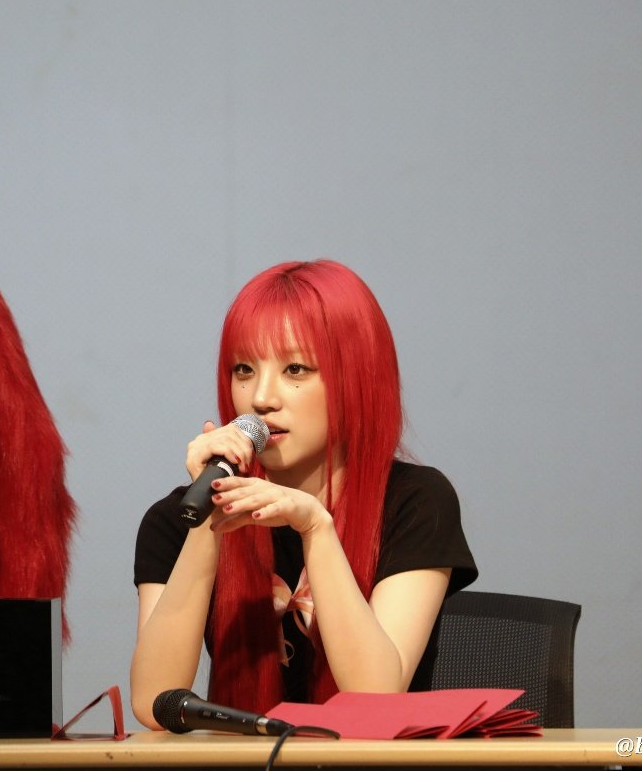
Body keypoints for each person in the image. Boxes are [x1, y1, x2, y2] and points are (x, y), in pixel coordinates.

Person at [130, 260, 476, 729]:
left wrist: (316, 528)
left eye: (295, 369)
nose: (261, 398)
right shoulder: (178, 518)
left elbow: (375, 697)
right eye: (244, 369)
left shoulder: (416, 501)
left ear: (356, 378)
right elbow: (154, 703)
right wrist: (209, 519)